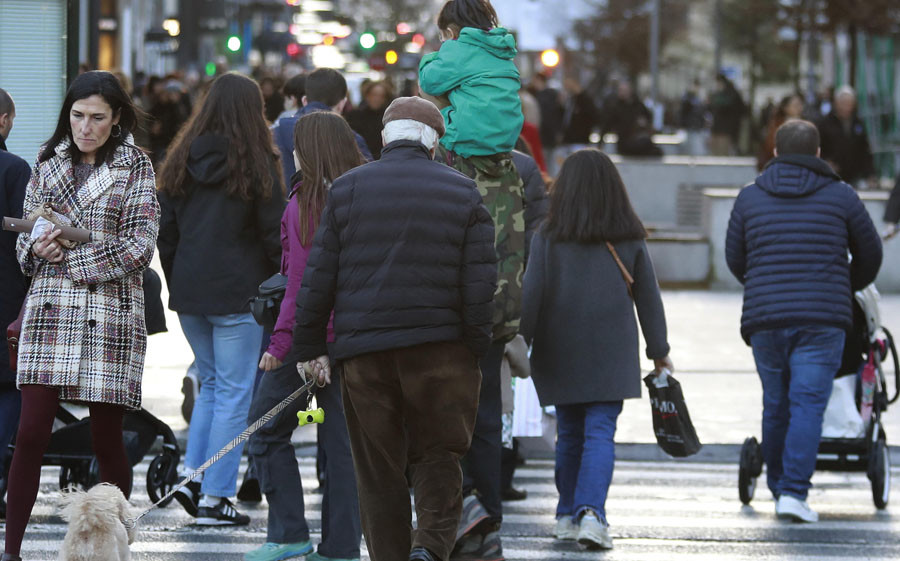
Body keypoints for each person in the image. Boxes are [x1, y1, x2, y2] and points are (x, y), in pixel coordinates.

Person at [291, 96, 497, 561]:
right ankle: (430, 547)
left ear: (385, 137)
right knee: (439, 456)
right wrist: (475, 345)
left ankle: (390, 554)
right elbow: (481, 282)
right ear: (434, 142)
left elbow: (319, 276)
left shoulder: (347, 189)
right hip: (442, 351)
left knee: (378, 468)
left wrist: (310, 346)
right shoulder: (464, 192)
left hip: (366, 354)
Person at [2, 71, 159, 561]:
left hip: (109, 314)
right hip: (50, 312)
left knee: (106, 436)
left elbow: (139, 247)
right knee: (29, 433)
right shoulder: (48, 162)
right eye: (76, 116)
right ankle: (11, 550)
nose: (85, 127)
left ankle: (117, 541)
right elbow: (25, 246)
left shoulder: (136, 168)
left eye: (96, 118)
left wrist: (65, 256)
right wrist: (38, 246)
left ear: (117, 120)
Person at [725, 120, 882, 522]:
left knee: (775, 403)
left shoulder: (748, 198)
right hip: (821, 320)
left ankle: (780, 486)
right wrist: (841, 286)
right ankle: (793, 493)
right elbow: (871, 254)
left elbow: (735, 259)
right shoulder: (841, 196)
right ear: (817, 154)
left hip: (766, 320)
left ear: (775, 153)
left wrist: (763, 285)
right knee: (809, 403)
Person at [520, 149, 672, 549]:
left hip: (559, 349)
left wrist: (520, 345)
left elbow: (530, 297)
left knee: (569, 433)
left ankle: (566, 514)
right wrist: (659, 350)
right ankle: (592, 513)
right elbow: (649, 299)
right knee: (601, 432)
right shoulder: (629, 236)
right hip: (611, 351)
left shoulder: (547, 238)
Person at [419, 4, 526, 557]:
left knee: (442, 421)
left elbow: (429, 77)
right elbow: (517, 253)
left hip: (452, 321)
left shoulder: (447, 175)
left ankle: (454, 517)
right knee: (485, 419)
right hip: (497, 317)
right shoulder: (515, 173)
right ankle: (489, 515)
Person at [156, 72, 284, 526]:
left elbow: (165, 233)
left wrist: (178, 283)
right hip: (241, 293)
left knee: (211, 384)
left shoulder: (179, 160)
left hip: (192, 292)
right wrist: (279, 285)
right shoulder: (257, 162)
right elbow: (275, 235)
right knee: (234, 391)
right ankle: (216, 497)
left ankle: (195, 477)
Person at [245, 112, 366, 561]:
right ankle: (340, 548)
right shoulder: (359, 195)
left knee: (264, 430)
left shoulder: (306, 203)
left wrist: (280, 346)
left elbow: (299, 284)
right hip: (352, 338)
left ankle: (288, 532)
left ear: (308, 151)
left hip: (307, 337)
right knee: (340, 446)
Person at [0, 88, 31, 521]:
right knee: (10, 389)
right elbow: (28, 238)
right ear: (5, 120)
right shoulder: (13, 169)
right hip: (7, 295)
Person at [272, 68, 372, 186]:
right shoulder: (351, 139)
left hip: (287, 203)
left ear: (304, 100)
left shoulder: (274, 133)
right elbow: (367, 183)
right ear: (342, 104)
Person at [817, 86, 877, 189]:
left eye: (850, 103)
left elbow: (865, 150)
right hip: (832, 175)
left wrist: (870, 174)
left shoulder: (858, 123)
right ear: (836, 103)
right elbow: (818, 147)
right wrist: (826, 163)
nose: (846, 107)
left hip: (854, 175)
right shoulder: (824, 123)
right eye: (843, 103)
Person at [600, 81, 661, 157]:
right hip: (624, 143)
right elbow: (606, 126)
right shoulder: (615, 107)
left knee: (655, 150)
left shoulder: (638, 105)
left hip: (638, 138)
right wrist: (600, 144)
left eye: (624, 90)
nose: (622, 93)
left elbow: (648, 117)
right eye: (620, 90)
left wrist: (644, 122)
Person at [347, 80, 394, 160]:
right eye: (374, 95)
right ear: (367, 96)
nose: (377, 99)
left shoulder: (390, 118)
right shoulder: (355, 116)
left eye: (381, 96)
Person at [757, 93, 804, 170]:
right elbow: (770, 146)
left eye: (800, 105)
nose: (799, 108)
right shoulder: (776, 125)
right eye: (795, 105)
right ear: (786, 107)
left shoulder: (806, 124)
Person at [709, 73, 745, 156]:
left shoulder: (729, 94)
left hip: (725, 130)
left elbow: (725, 107)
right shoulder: (723, 94)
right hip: (719, 129)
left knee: (722, 153)